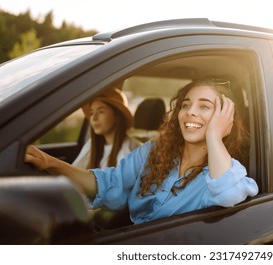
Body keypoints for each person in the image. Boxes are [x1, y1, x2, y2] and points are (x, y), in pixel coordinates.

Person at [25, 79, 259, 224]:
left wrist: (214, 136)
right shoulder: (151, 153)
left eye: (205, 106)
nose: (190, 112)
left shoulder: (226, 171)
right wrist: (50, 163)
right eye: (185, 105)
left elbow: (227, 194)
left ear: (224, 118)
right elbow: (108, 183)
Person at [72, 88, 142, 169]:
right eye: (91, 113)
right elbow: (73, 172)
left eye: (101, 112)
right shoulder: (91, 145)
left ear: (116, 116)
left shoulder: (131, 148)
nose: (94, 118)